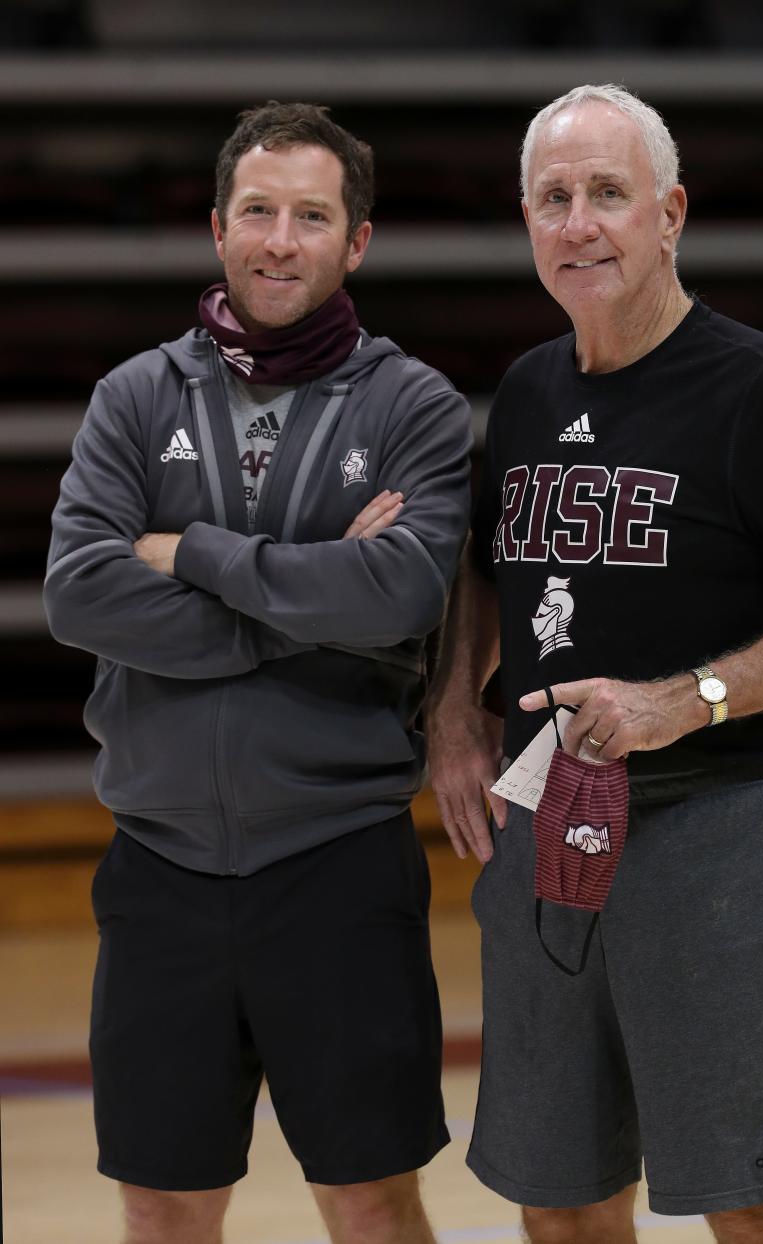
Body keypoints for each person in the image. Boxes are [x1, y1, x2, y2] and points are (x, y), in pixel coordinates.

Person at [426, 84, 763, 1244]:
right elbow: (485, 571)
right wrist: (454, 713)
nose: (579, 222)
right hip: (548, 822)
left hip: (717, 829)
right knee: (560, 1196)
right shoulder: (532, 389)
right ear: (527, 221)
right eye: (554, 198)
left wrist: (685, 700)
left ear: (671, 211)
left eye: (607, 194)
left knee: (750, 1200)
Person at [44, 101, 472, 1244]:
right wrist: (312, 598)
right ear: (218, 227)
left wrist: (194, 556)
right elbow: (79, 591)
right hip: (162, 869)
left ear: (357, 240)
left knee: (372, 1198)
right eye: (260, 211)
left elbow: (404, 594)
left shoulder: (413, 405)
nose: (282, 238)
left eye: (312, 215)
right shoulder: (136, 397)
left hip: (336, 870)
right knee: (163, 1201)